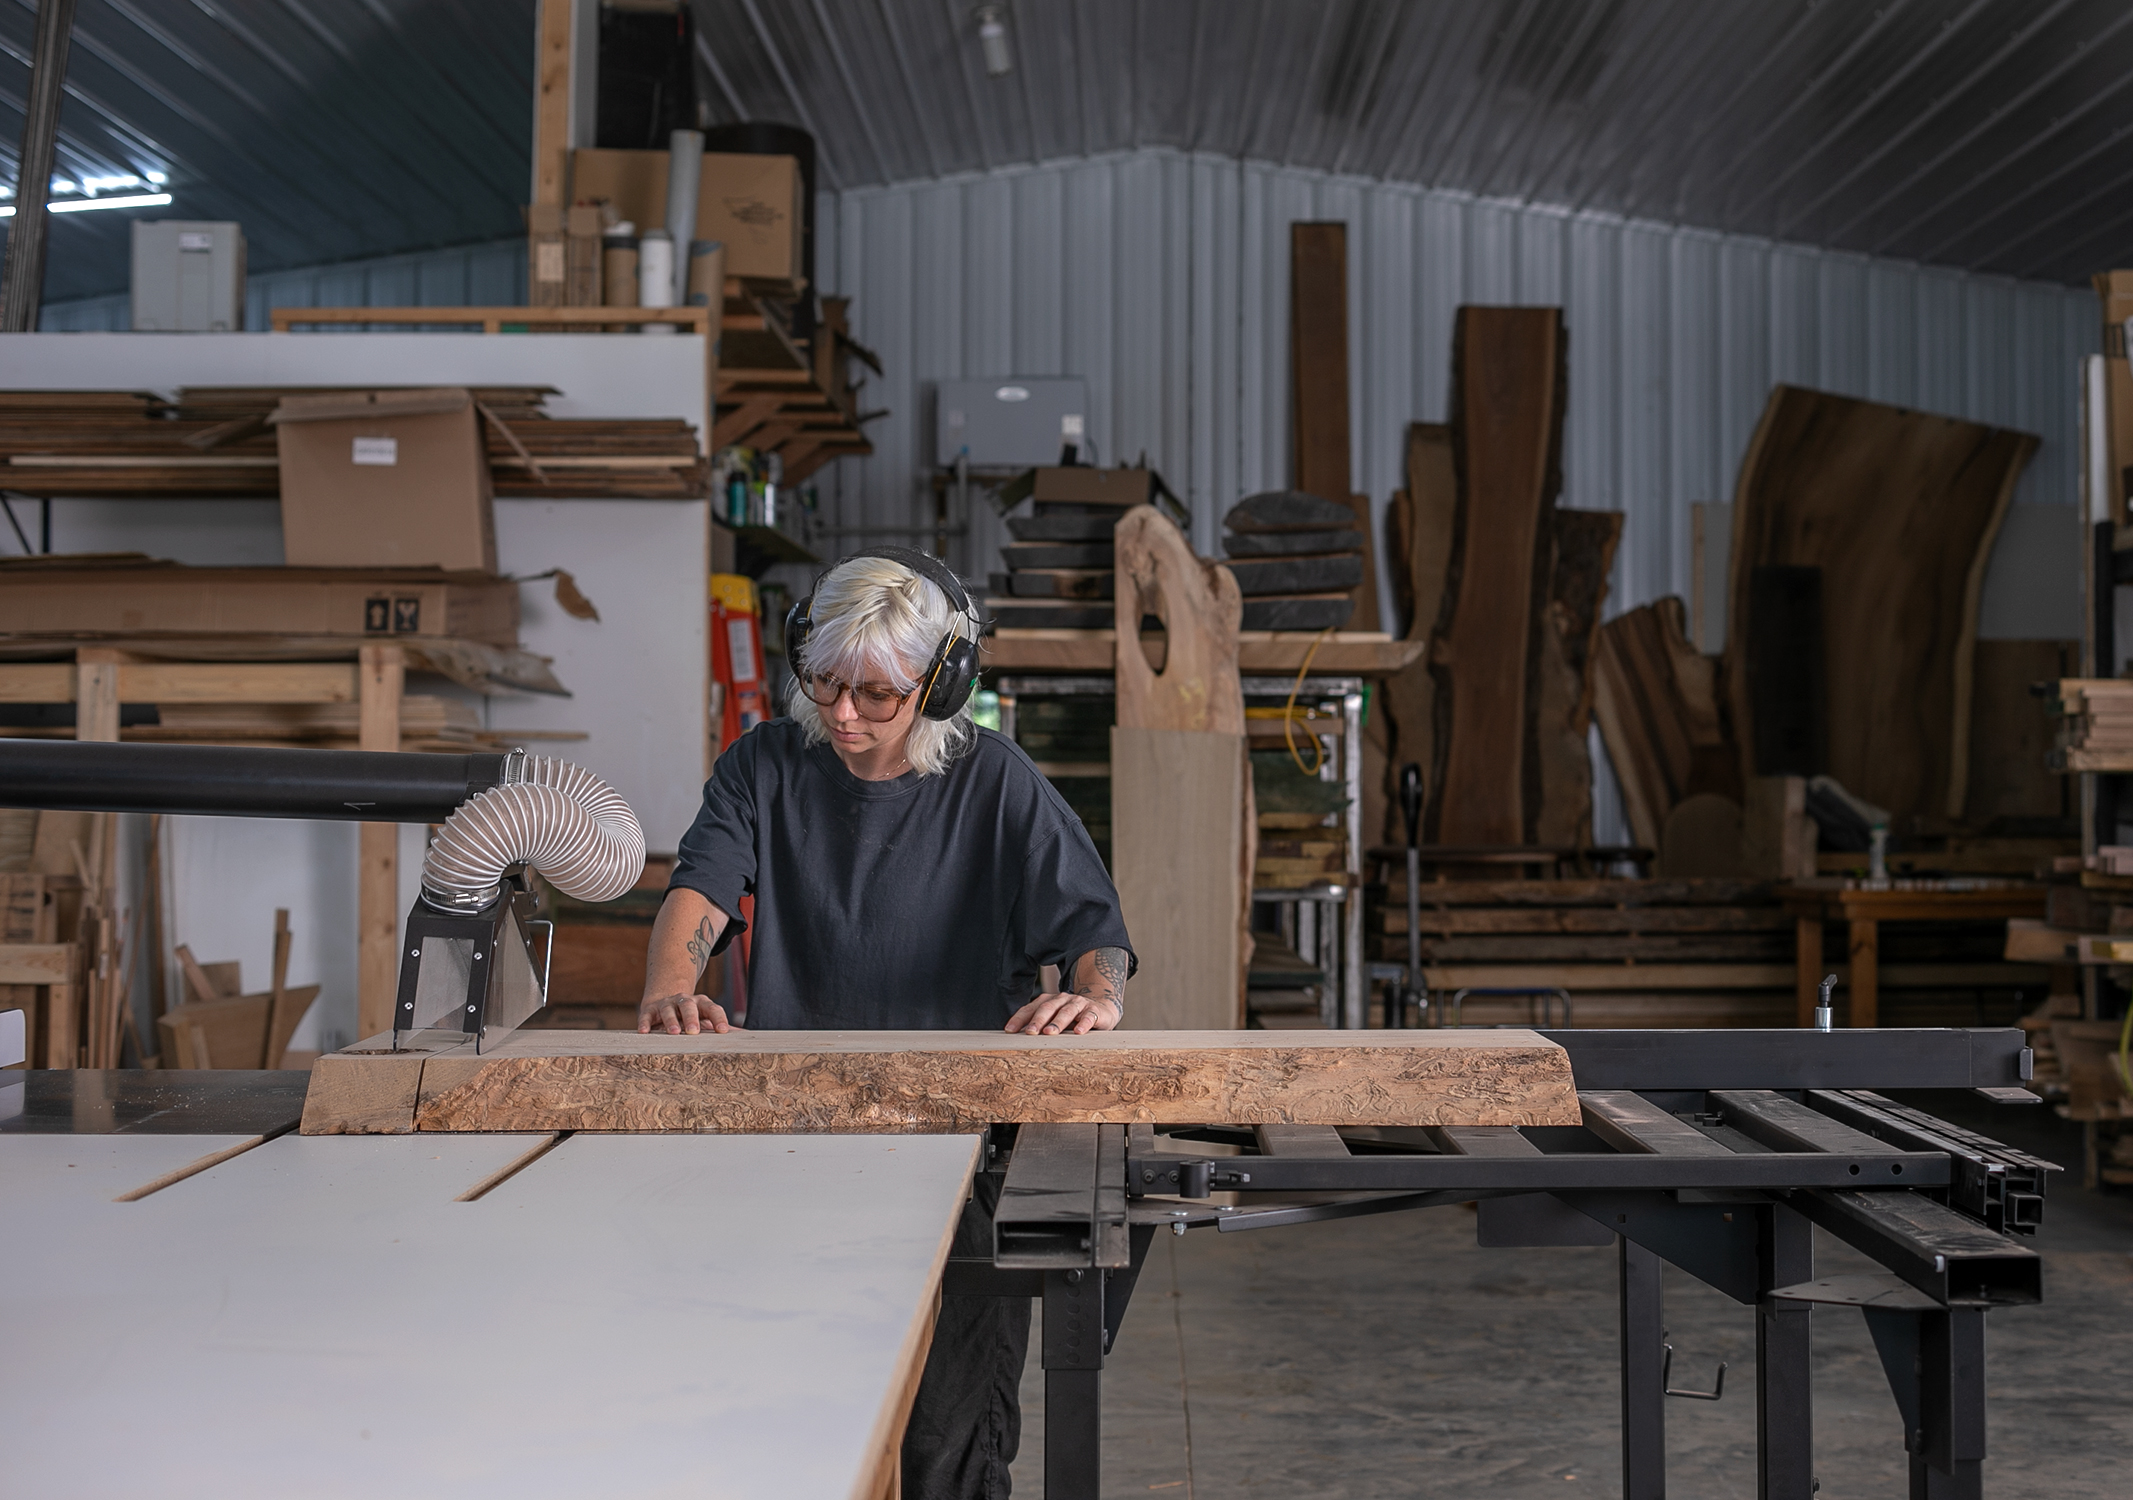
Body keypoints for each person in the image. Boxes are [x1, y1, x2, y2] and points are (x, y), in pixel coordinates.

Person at [638, 547, 1134, 1500]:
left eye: (876, 693)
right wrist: (671, 986)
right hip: (789, 1146)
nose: (843, 715)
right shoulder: (764, 765)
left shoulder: (996, 784)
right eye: (824, 684)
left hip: (956, 1158)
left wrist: (1096, 997)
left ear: (940, 686)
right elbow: (699, 890)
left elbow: (1093, 934)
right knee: (789, 1426)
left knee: (946, 1442)